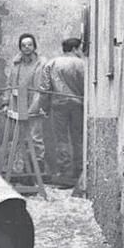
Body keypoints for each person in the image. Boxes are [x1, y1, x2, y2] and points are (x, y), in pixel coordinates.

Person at [0, 33, 48, 174]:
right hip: (18, 104)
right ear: (20, 48)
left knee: (35, 137)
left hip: (35, 104)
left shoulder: (41, 64)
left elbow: (42, 87)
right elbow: (10, 85)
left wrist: (36, 107)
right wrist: (6, 102)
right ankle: (23, 169)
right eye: (24, 45)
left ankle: (37, 172)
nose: (27, 48)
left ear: (34, 46)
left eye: (30, 45)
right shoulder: (16, 65)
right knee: (19, 137)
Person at [40, 37, 85, 188]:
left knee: (62, 139)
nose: (80, 52)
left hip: (58, 105)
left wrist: (44, 107)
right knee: (78, 138)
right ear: (74, 49)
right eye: (79, 48)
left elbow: (45, 88)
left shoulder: (51, 64)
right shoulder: (82, 64)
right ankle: (78, 172)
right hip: (78, 105)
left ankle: (64, 173)